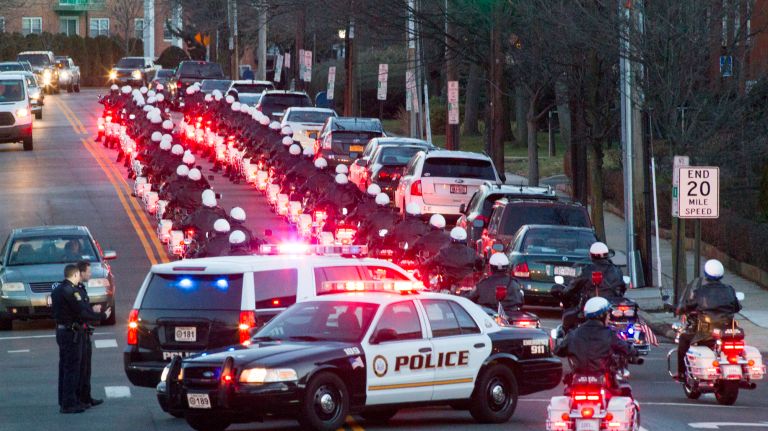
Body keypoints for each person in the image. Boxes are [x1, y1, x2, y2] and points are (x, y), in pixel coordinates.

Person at [52, 265, 107, 414]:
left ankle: (69, 399)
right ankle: (69, 403)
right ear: (76, 274)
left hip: (64, 331)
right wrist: (101, 316)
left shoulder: (58, 290)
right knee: (72, 368)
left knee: (66, 367)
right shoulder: (70, 291)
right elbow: (81, 312)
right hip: (71, 333)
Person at [675, 259, 742, 379]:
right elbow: (737, 307)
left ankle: (681, 373)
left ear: (706, 274)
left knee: (683, 339)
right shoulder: (729, 289)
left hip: (706, 333)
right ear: (721, 274)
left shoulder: (700, 292)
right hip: (727, 330)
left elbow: (687, 306)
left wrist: (680, 309)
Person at [555, 297, 637, 390]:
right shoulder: (609, 334)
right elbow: (626, 348)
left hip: (578, 380)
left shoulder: (573, 334)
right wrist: (634, 352)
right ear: (601, 316)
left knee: (567, 392)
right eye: (607, 314)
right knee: (625, 392)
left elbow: (558, 350)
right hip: (601, 379)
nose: (609, 317)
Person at [561, 242, 626, 332]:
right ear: (607, 255)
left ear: (591, 256)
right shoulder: (616, 270)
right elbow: (622, 288)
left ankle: (567, 341)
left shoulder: (586, 270)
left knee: (567, 317)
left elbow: (572, 287)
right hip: (612, 307)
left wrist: (565, 292)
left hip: (589, 308)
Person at [75, 261, 105, 409]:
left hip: (85, 332)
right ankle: (80, 398)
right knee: (80, 368)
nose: (90, 273)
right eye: (88, 271)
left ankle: (86, 397)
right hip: (78, 332)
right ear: (80, 273)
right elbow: (80, 312)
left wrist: (92, 308)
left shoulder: (80, 288)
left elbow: (84, 308)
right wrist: (97, 314)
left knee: (87, 368)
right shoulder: (75, 290)